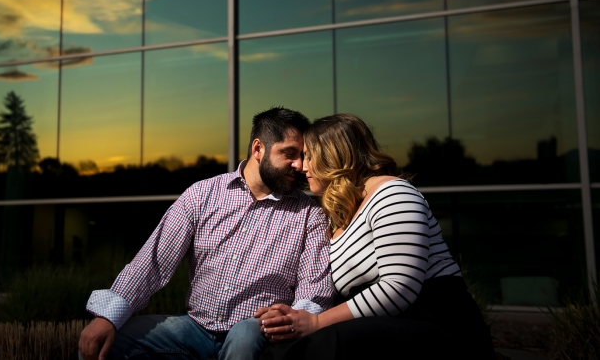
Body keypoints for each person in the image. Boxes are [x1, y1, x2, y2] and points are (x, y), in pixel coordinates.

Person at [79, 107, 335, 360]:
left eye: (302, 156)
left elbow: (314, 289)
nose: (299, 165)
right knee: (104, 344)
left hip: (256, 332)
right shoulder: (202, 195)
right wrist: (108, 317)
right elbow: (153, 261)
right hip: (194, 327)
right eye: (289, 154)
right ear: (258, 149)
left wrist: (292, 320)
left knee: (245, 335)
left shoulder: (309, 215)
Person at [255, 113, 495, 359]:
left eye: (308, 156)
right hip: (383, 324)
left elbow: (399, 288)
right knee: (280, 347)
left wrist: (317, 322)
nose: (302, 166)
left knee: (313, 346)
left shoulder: (393, 193)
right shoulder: (338, 217)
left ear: (333, 155)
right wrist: (289, 316)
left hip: (438, 323)